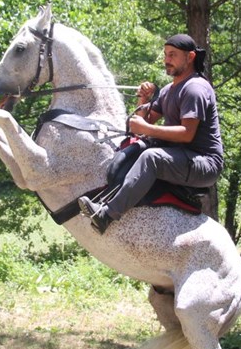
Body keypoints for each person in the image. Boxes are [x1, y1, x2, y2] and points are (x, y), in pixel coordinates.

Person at [78, 33, 224, 234]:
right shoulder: (167, 90)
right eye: (165, 54)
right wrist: (143, 100)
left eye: (173, 55)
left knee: (151, 158)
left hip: (204, 163)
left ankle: (106, 215)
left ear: (190, 57)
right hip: (180, 155)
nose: (166, 60)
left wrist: (146, 129)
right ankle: (104, 197)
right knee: (138, 147)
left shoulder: (195, 88)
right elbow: (145, 122)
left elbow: (186, 134)